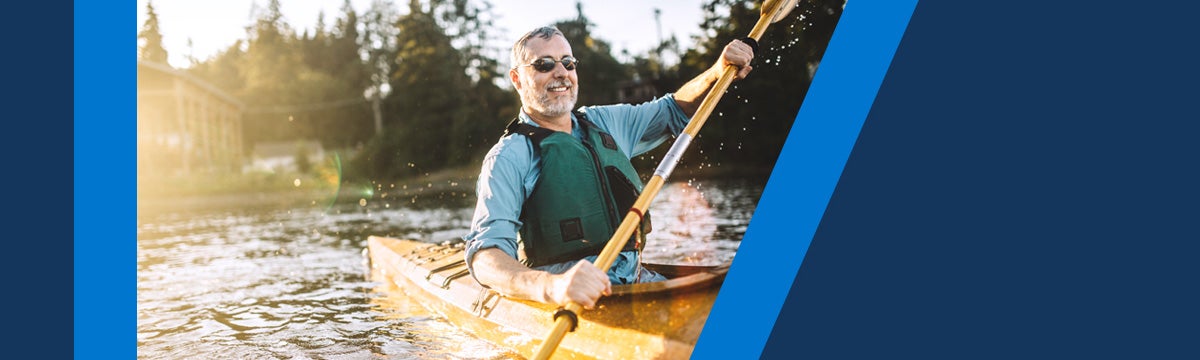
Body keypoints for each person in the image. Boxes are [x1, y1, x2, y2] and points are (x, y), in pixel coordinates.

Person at [463, 26, 754, 310]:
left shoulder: (604, 123)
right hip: (568, 300)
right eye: (543, 65)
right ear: (517, 78)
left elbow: (675, 110)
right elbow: (485, 258)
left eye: (568, 62)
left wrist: (717, 71)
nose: (561, 72)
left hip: (636, 281)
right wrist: (553, 286)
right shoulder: (508, 157)